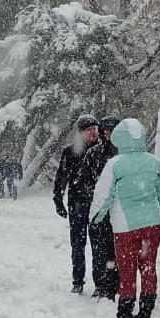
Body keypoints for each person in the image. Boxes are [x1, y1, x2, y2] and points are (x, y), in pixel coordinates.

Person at [90, 118, 160, 318]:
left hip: (126, 227)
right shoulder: (154, 162)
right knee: (148, 267)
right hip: (152, 224)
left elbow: (103, 197)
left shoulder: (115, 164)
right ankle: (145, 312)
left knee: (127, 270)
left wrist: (95, 218)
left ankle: (124, 315)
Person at [53, 114, 100, 293]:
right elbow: (61, 177)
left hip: (97, 205)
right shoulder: (70, 152)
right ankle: (77, 281)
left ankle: (100, 283)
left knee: (99, 247)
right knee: (78, 245)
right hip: (77, 204)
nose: (93, 133)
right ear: (81, 133)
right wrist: (58, 199)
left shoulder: (101, 151)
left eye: (95, 129)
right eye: (89, 130)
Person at [77, 115, 121, 300]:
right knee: (99, 250)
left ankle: (116, 284)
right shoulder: (93, 154)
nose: (109, 135)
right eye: (106, 131)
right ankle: (100, 285)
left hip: (119, 213)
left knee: (118, 251)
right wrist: (96, 196)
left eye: (113, 131)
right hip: (98, 211)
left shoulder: (124, 155)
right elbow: (83, 181)